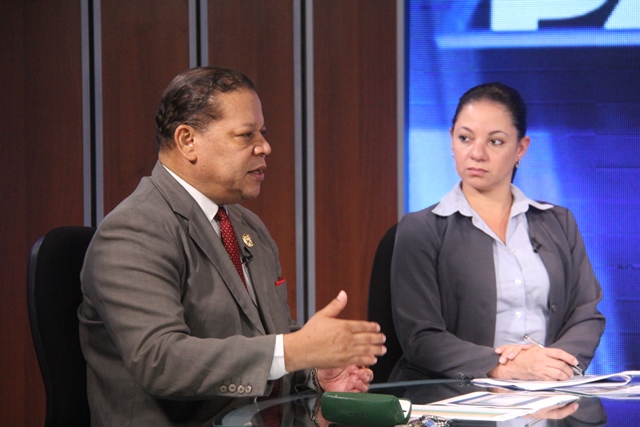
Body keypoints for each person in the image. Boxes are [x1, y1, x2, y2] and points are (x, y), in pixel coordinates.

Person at [78, 66, 386, 426]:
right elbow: (160, 360)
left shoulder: (245, 225)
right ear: (187, 141)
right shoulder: (134, 229)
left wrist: (315, 371)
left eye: (263, 133)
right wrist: (293, 350)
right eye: (246, 135)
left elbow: (267, 341)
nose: (265, 147)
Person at [389, 82, 605, 382]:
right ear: (451, 140)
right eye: (465, 138)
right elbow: (421, 337)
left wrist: (554, 366)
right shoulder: (422, 229)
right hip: (458, 393)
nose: (476, 153)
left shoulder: (558, 222)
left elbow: (586, 313)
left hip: (549, 391)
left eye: (495, 141)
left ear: (521, 148)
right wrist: (502, 367)